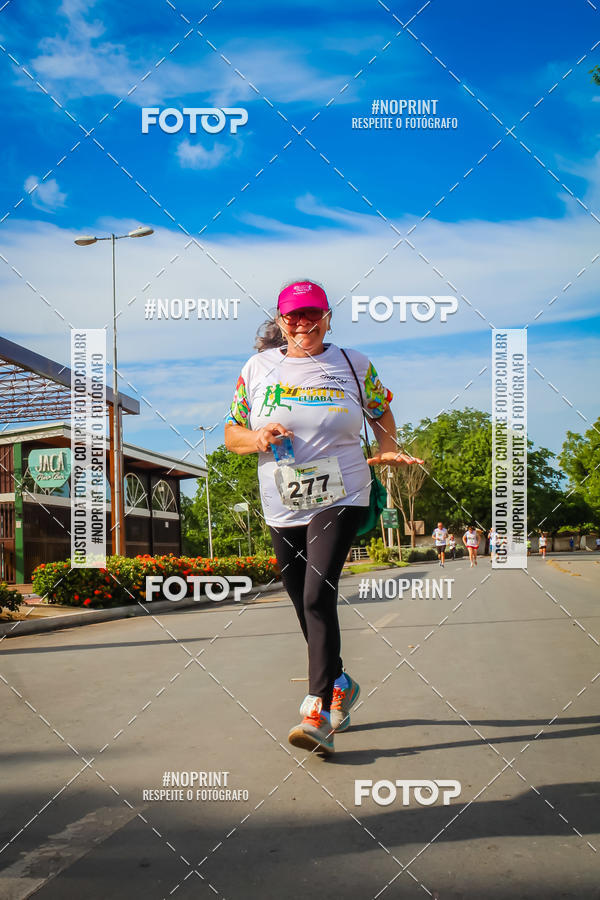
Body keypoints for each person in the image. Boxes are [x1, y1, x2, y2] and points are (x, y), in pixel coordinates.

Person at [224, 280, 422, 756]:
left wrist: (389, 449)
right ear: (279, 320)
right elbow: (232, 431)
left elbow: (381, 412)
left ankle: (316, 712)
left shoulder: (354, 364)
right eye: (291, 316)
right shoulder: (257, 368)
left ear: (328, 316)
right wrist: (257, 438)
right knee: (302, 603)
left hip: (343, 490)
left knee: (318, 592)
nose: (301, 323)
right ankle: (341, 683)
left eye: (311, 314)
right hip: (282, 500)